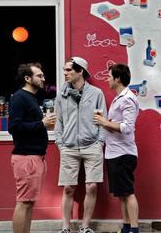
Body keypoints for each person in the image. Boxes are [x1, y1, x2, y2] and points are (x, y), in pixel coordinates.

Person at [54, 57, 106, 233]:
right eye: (65, 70)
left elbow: (102, 120)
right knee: (69, 188)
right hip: (68, 147)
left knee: (91, 186)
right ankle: (65, 227)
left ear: (80, 71)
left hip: (92, 146)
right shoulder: (61, 96)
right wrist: (60, 144)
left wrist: (99, 143)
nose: (65, 73)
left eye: (69, 70)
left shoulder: (96, 93)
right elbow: (58, 122)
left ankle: (85, 226)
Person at [8, 63, 56, 233]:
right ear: (27, 78)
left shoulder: (31, 98)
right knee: (23, 202)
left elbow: (30, 125)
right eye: (39, 76)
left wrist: (42, 125)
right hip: (26, 158)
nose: (43, 78)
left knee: (29, 202)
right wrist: (41, 123)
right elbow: (13, 127)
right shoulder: (20, 97)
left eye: (43, 75)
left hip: (35, 157)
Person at [93, 63, 140, 233]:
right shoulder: (119, 97)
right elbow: (114, 125)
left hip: (123, 153)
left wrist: (103, 121)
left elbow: (127, 127)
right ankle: (126, 228)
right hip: (114, 153)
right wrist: (104, 122)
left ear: (117, 78)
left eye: (109, 76)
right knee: (122, 193)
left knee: (127, 192)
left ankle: (134, 229)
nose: (107, 79)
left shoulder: (127, 98)